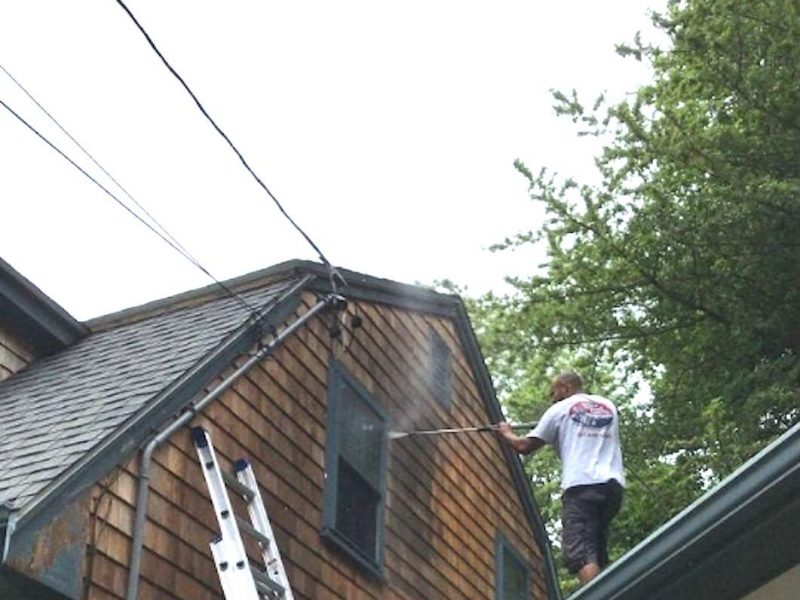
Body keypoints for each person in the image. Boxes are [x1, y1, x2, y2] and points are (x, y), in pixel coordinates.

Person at [496, 372, 625, 585]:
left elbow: (524, 446)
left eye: (553, 392)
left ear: (565, 387)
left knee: (582, 552)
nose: (552, 398)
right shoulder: (607, 406)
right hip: (612, 488)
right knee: (597, 552)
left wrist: (506, 432)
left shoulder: (559, 410)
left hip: (582, 487)